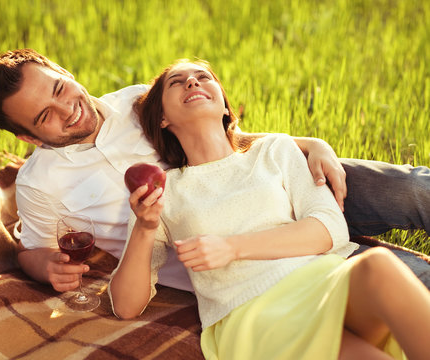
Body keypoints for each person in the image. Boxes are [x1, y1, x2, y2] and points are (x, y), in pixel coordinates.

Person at [0, 48, 430, 293]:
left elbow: (227, 140)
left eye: (60, 88)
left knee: (412, 190)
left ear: (63, 70)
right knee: (411, 281)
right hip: (237, 260)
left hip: (274, 186)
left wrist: (310, 144)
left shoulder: (138, 101)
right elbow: (31, 250)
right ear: (29, 139)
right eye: (44, 117)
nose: (68, 109)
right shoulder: (40, 184)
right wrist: (45, 268)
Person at [108, 59, 430, 359]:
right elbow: (125, 306)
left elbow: (330, 227)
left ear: (224, 105)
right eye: (177, 83)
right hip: (254, 313)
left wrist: (232, 248)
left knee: (378, 266)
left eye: (203, 77)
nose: (192, 81)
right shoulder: (165, 190)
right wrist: (145, 227)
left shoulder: (275, 149)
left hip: (322, 280)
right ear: (162, 118)